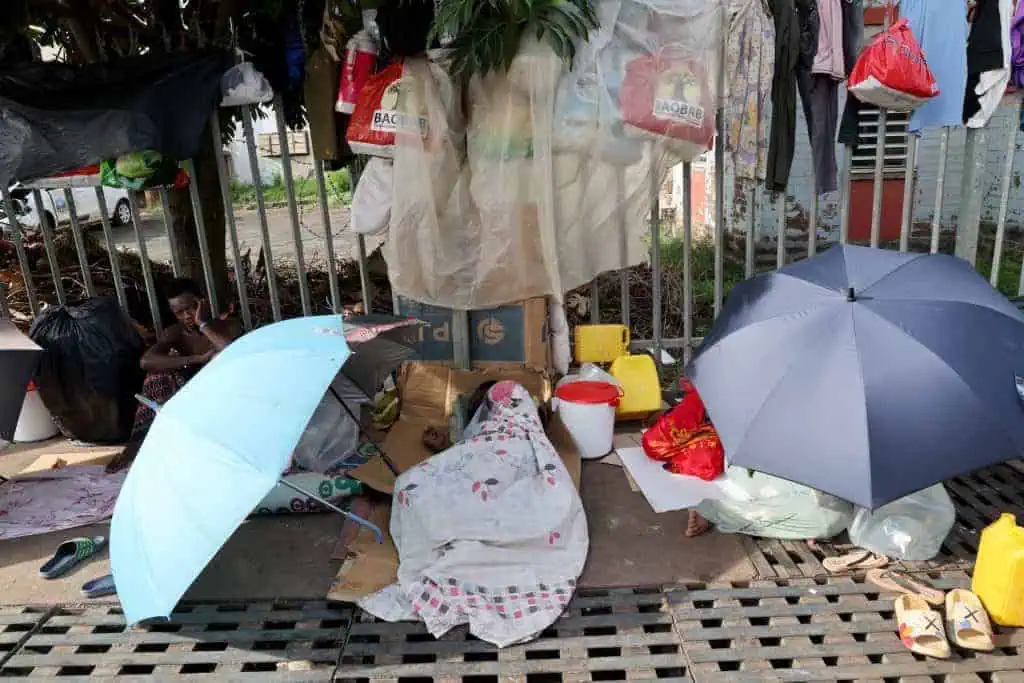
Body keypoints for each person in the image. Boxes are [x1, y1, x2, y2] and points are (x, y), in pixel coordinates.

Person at [107, 278, 241, 471]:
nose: (187, 315)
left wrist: (202, 323)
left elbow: (231, 351)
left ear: (202, 302)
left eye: (191, 307)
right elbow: (146, 361)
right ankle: (137, 446)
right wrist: (197, 359)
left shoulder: (226, 325)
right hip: (189, 398)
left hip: (224, 396)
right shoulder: (175, 333)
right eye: (179, 312)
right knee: (156, 377)